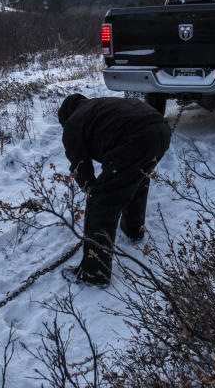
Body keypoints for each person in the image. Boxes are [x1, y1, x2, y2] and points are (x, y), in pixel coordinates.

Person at [57, 94, 171, 286]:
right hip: (161, 129)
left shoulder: (73, 124)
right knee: (136, 179)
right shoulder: (96, 107)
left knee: (102, 200)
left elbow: (80, 168)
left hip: (136, 136)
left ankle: (94, 273)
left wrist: (93, 191)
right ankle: (134, 230)